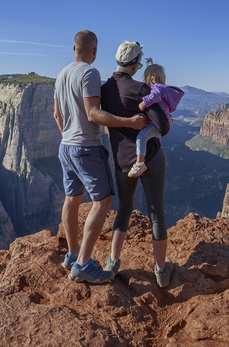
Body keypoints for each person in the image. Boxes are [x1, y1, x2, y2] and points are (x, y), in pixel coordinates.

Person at [53, 31, 148, 284]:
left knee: (72, 199)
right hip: (86, 148)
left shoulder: (61, 74)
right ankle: (83, 265)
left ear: (73, 47)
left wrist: (69, 136)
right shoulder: (90, 73)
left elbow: (57, 115)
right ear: (94, 52)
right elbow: (93, 114)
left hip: (66, 146)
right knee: (103, 201)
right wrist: (130, 122)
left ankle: (73, 255)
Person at [100, 41, 174, 288]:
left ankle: (112, 262)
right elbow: (161, 126)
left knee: (124, 210)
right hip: (151, 159)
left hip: (122, 161)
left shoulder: (105, 89)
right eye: (139, 63)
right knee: (156, 214)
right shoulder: (141, 88)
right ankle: (162, 272)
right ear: (134, 64)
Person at [129, 58, 185, 178]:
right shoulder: (164, 89)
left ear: (149, 78)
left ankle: (140, 163)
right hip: (159, 124)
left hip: (154, 125)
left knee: (141, 138)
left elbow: (154, 96)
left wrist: (143, 103)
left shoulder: (157, 89)